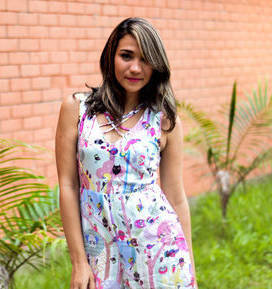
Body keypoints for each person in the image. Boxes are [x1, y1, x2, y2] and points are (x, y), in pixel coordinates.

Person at [55, 17, 196, 289]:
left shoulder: (165, 120)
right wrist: (79, 262)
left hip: (158, 252)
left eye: (145, 59)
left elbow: (176, 198)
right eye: (126, 56)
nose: (135, 68)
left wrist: (190, 271)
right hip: (100, 252)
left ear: (157, 65)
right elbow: (68, 185)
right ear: (111, 56)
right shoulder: (77, 109)